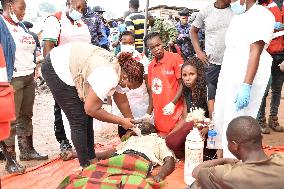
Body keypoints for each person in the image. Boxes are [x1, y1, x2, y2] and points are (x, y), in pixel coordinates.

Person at [41, 42, 144, 168]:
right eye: (131, 87)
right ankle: (86, 166)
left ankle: (91, 158)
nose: (130, 90)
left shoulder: (121, 71)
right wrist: (122, 121)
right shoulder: (109, 76)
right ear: (126, 78)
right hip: (57, 67)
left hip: (71, 59)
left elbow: (122, 100)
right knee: (79, 119)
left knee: (86, 117)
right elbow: (91, 109)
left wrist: (131, 125)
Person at [214, 0, 275, 157]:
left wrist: (246, 85)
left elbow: (255, 52)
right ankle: (222, 162)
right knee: (222, 117)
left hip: (245, 78)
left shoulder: (262, 15)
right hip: (229, 75)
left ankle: (234, 167)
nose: (231, 2)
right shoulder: (238, 16)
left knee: (237, 123)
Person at [0, 0, 48, 174]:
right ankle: (10, 160)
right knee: (10, 120)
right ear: (9, 5)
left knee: (26, 115)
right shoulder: (1, 25)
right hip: (12, 79)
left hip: (28, 77)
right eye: (21, 8)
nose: (24, 12)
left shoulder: (22, 27)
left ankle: (27, 151)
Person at [42, 0, 91, 158]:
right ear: (69, 1)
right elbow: (48, 48)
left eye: (83, 9)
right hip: (62, 72)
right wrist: (53, 75)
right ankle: (64, 141)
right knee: (62, 107)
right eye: (78, 7)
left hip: (82, 74)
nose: (80, 10)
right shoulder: (55, 19)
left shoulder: (82, 24)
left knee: (82, 109)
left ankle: (84, 144)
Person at [58, 123, 175, 188]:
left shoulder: (158, 140)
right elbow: (108, 153)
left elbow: (169, 160)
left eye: (145, 124)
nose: (140, 125)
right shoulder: (132, 139)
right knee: (92, 173)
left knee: (133, 184)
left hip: (139, 161)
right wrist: (74, 154)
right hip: (119, 158)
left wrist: (161, 175)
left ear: (152, 130)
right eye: (140, 124)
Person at [192, 116, 284, 189]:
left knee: (195, 185)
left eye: (228, 143)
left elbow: (196, 172)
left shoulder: (227, 175)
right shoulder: (281, 159)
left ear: (235, 145)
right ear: (261, 138)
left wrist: (225, 160)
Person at [165, 58, 216, 160]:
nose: (187, 78)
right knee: (170, 141)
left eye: (191, 74)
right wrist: (170, 135)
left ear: (198, 75)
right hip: (191, 129)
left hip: (207, 130)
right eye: (184, 75)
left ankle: (207, 155)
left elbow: (213, 116)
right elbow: (185, 118)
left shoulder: (207, 88)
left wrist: (207, 128)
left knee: (191, 123)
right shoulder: (186, 90)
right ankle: (190, 155)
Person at [190, 0, 233, 118]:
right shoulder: (206, 11)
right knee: (211, 97)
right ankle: (213, 126)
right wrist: (199, 52)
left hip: (231, 63)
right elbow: (193, 31)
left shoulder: (235, 11)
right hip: (212, 64)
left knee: (227, 97)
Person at [112, 31, 151, 138]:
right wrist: (111, 104)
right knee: (124, 132)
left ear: (134, 44)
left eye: (131, 43)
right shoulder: (115, 59)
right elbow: (113, 87)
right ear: (120, 42)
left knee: (141, 133)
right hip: (121, 101)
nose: (128, 45)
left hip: (140, 102)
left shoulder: (142, 58)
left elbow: (148, 84)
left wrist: (149, 110)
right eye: (125, 43)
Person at [144, 32, 184, 137]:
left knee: (174, 141)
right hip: (160, 115)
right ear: (149, 49)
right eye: (152, 48)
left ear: (163, 43)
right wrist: (148, 113)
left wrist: (173, 103)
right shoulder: (151, 66)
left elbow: (182, 84)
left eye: (158, 45)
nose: (156, 49)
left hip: (175, 112)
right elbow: (152, 91)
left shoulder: (175, 58)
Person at [258, 0, 284, 134]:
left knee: (277, 89)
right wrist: (270, 25)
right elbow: (256, 26)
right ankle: (260, 120)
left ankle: (273, 119)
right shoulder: (263, 4)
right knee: (264, 89)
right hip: (266, 54)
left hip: (282, 54)